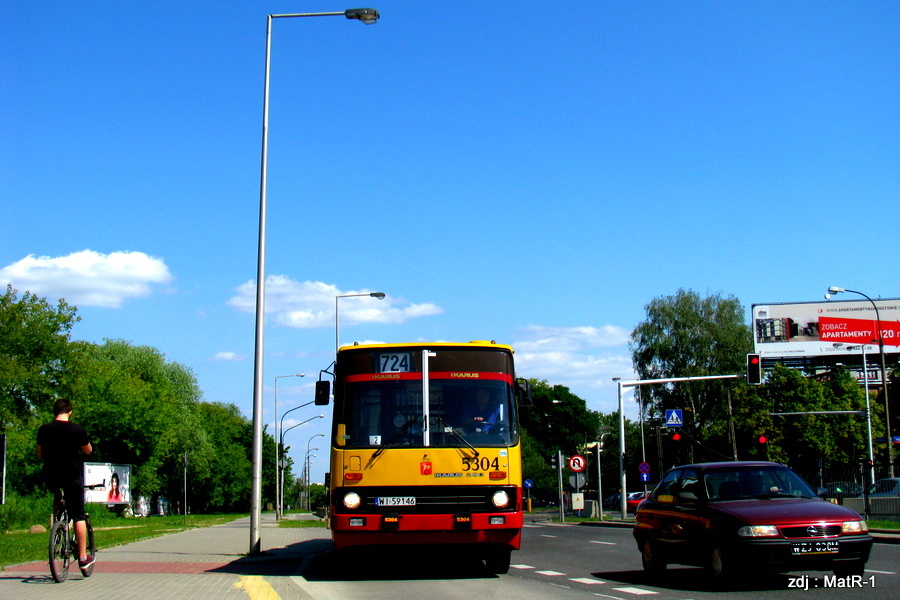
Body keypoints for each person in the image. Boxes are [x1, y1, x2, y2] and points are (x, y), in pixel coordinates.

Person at [36, 398, 94, 572]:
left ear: (54, 412)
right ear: (70, 412)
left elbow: (39, 454)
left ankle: (58, 525)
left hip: (51, 475)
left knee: (57, 496)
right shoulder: (77, 429)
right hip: (71, 476)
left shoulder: (44, 429)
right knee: (78, 515)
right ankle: (83, 557)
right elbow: (88, 450)